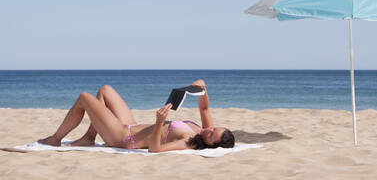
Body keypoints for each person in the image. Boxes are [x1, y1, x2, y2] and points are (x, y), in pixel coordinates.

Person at [38, 79, 235, 152]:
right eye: (214, 128)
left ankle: (56, 139)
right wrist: (198, 87)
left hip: (124, 138)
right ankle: (89, 138)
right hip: (131, 126)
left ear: (210, 145)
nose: (209, 129)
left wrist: (159, 122)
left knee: (84, 98)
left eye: (211, 135)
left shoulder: (190, 141)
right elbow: (205, 110)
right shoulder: (204, 130)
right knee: (105, 90)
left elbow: (156, 149)